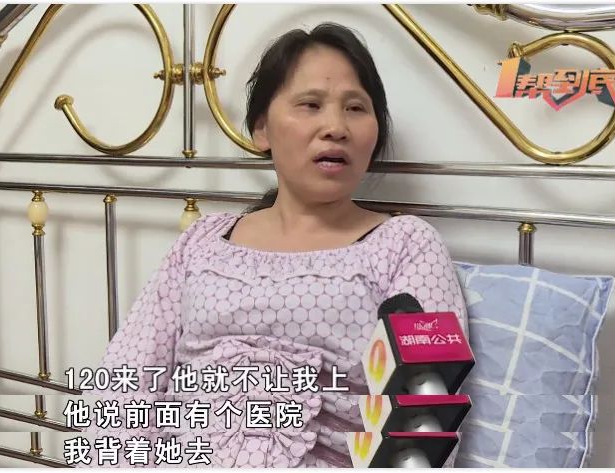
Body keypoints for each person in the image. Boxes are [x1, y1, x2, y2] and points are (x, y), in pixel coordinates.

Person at [79, 23, 468, 468]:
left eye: (356, 108)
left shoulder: (406, 245)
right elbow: (126, 379)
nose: (335, 127)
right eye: (311, 104)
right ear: (262, 129)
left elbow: (426, 419)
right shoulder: (202, 242)